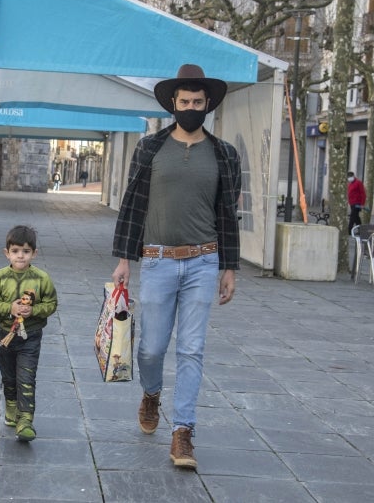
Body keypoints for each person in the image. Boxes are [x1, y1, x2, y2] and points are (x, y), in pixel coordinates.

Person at [111, 64, 241, 469]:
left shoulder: (224, 154)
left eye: (197, 103)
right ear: (173, 104)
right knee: (151, 348)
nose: (190, 107)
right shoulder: (150, 148)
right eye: (184, 102)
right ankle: (151, 394)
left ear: (207, 106)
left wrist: (229, 267)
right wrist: (123, 260)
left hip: (204, 261)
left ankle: (183, 432)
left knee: (191, 349)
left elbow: (229, 214)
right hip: (158, 260)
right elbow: (133, 206)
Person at [0, 225, 58, 441]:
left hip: (31, 337)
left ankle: (25, 420)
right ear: (7, 253)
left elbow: (52, 303)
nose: (20, 256)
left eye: (26, 252)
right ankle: (11, 405)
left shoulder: (41, 278)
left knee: (26, 378)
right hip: (6, 336)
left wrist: (33, 310)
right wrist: (10, 308)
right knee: (9, 377)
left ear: (34, 253)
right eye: (16, 251)